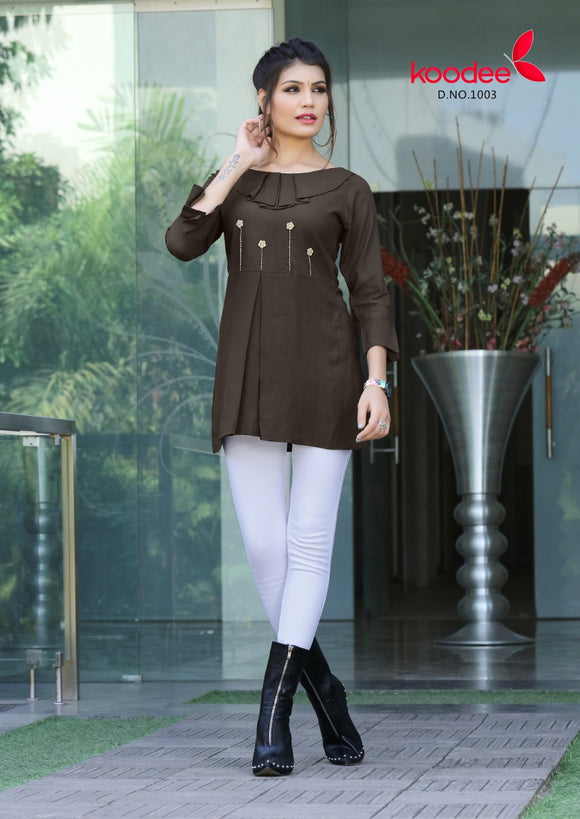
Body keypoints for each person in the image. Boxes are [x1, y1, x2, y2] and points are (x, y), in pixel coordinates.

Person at [166, 37, 399, 777]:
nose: (308, 101)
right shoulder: (236, 181)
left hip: (328, 372)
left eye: (318, 88)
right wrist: (238, 159)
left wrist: (376, 381)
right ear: (263, 99)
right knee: (267, 548)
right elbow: (182, 241)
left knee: (307, 543)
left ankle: (272, 714)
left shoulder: (348, 188)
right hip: (245, 374)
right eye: (292, 88)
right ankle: (325, 689)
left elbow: (369, 291)